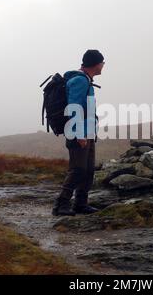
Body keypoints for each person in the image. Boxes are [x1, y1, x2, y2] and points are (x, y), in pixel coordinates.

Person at [52, 49, 105, 216]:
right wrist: (79, 134)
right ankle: (61, 204)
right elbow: (74, 107)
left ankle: (81, 204)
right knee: (78, 169)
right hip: (78, 133)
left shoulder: (86, 80)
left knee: (88, 170)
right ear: (96, 64)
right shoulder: (80, 81)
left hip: (87, 132)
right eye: (102, 63)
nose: (103, 66)